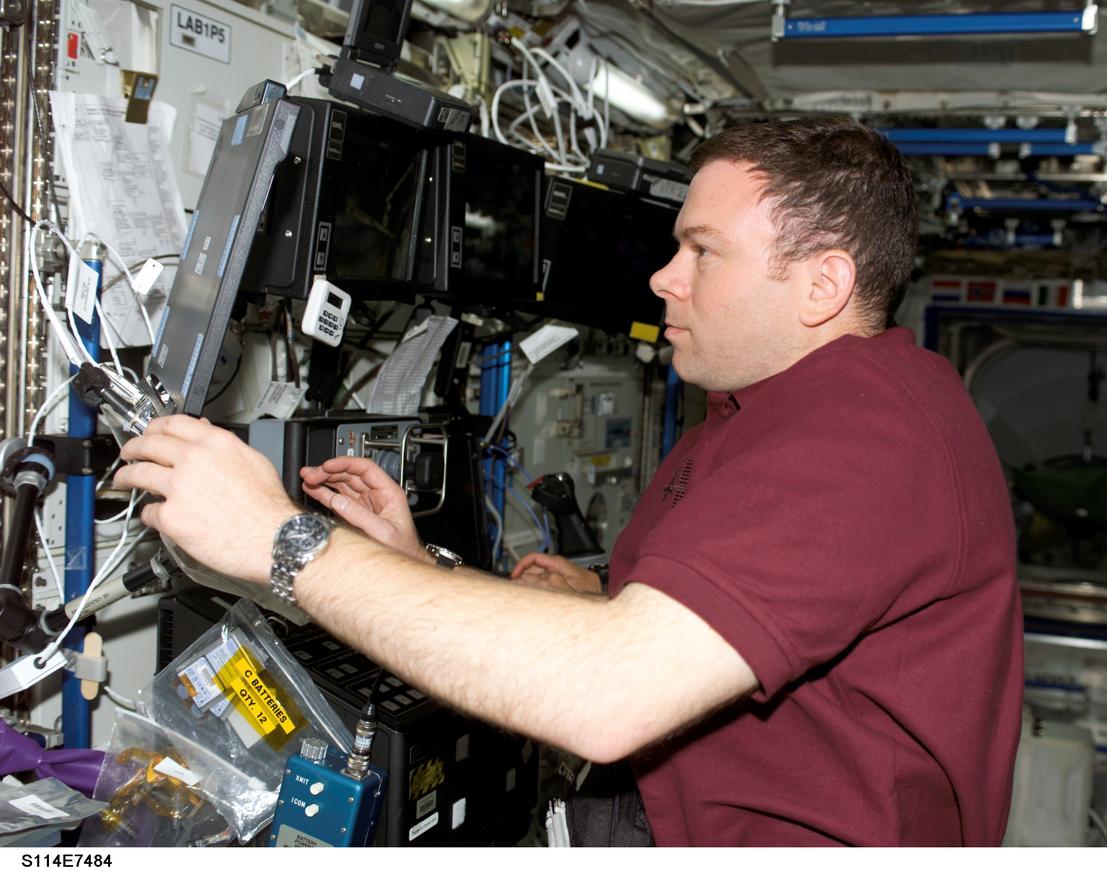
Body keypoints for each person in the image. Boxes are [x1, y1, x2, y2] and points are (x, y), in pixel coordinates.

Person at [116, 117, 1023, 846]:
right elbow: (658, 635)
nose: (665, 278)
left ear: (823, 284)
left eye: (703, 252)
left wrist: (279, 540)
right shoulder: (758, 413)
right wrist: (420, 569)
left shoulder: (868, 433)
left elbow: (607, 689)